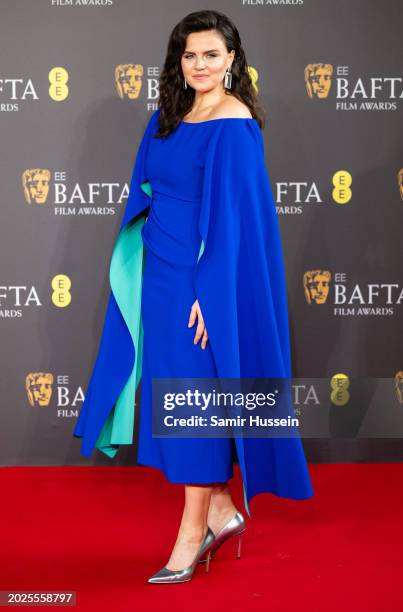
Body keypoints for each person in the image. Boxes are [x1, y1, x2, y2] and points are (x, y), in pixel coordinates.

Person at [73, 9, 314, 584]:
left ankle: (193, 533)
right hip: (159, 276)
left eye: (211, 54)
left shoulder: (234, 122)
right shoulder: (167, 116)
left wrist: (212, 296)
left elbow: (235, 224)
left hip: (198, 286)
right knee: (176, 404)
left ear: (232, 59)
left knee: (195, 410)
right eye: (190, 55)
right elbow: (145, 192)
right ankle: (224, 511)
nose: (200, 65)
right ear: (177, 61)